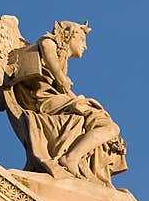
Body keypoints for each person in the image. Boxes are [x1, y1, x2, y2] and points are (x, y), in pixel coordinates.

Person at [13, 21, 126, 184]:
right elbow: (46, 48)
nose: (85, 46)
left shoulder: (62, 58)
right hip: (45, 100)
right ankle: (71, 157)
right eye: (82, 40)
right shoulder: (48, 43)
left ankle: (79, 154)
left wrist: (77, 99)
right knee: (108, 125)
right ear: (71, 35)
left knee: (105, 122)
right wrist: (60, 77)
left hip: (57, 99)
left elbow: (64, 90)